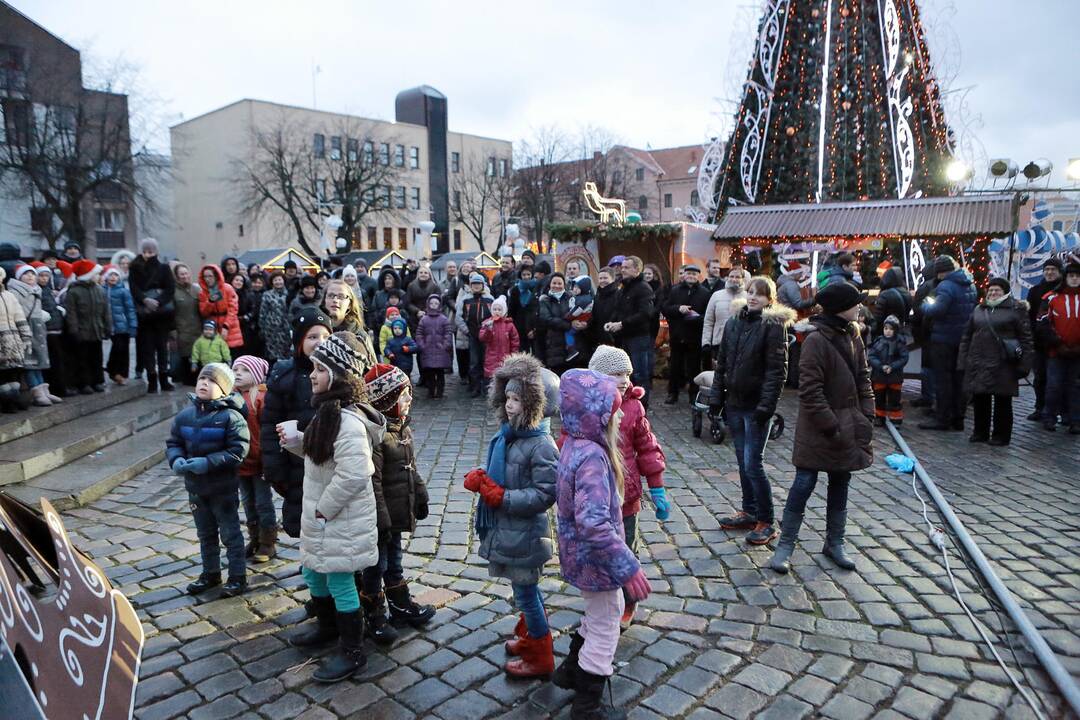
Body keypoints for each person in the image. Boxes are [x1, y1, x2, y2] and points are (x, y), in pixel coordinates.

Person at [279, 332, 383, 683]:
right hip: (322, 517)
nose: (312, 374)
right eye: (313, 367)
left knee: (339, 579)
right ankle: (327, 627)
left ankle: (353, 651)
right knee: (314, 571)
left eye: (320, 369)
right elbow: (324, 458)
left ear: (340, 376)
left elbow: (355, 472)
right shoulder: (327, 413)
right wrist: (297, 444)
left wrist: (324, 508)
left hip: (338, 518)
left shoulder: (347, 421)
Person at [554, 368, 651, 719]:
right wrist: (628, 566)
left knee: (596, 614)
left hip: (578, 554)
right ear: (595, 416)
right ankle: (587, 705)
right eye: (614, 410)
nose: (621, 413)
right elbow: (593, 522)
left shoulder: (573, 444)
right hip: (597, 560)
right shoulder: (594, 458)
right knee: (607, 623)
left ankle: (569, 670)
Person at [463, 353, 559, 679]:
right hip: (510, 530)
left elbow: (545, 493)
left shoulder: (541, 444)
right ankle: (531, 637)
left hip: (526, 534)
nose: (509, 405)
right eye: (507, 397)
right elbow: (504, 474)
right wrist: (485, 480)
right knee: (524, 592)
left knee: (527, 594)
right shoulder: (509, 436)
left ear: (535, 404)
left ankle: (541, 655)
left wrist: (501, 496)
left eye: (517, 399)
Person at [770, 281, 874, 574]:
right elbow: (810, 391)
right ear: (841, 307)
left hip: (850, 422)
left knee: (841, 482)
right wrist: (832, 426)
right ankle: (785, 545)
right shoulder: (816, 341)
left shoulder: (854, 334)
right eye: (855, 303)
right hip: (820, 427)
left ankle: (834, 543)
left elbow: (863, 378)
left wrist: (866, 414)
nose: (859, 307)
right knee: (804, 483)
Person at [586, 346, 668, 630]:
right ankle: (603, 598)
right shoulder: (587, 407)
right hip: (596, 495)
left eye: (627, 373)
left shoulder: (633, 407)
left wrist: (656, 487)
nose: (623, 379)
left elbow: (648, 449)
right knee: (599, 549)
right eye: (616, 374)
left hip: (627, 497)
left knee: (625, 549)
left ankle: (628, 599)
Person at [708, 277, 795, 545]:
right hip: (734, 403)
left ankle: (767, 520)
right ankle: (750, 511)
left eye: (760, 294)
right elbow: (722, 363)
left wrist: (766, 407)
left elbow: (776, 371)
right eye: (750, 292)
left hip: (756, 406)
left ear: (770, 298)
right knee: (742, 463)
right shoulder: (734, 323)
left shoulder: (773, 326)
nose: (754, 297)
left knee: (753, 464)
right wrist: (716, 397)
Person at [360, 363, 435, 644]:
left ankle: (400, 605)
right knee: (375, 566)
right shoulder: (377, 438)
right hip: (382, 519)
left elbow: (411, 468)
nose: (410, 400)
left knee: (395, 562)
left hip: (397, 513)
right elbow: (373, 483)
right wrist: (381, 519)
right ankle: (374, 614)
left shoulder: (402, 429)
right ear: (387, 400)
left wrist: (421, 494)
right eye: (404, 395)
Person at [166, 362, 250, 597]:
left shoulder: (231, 417)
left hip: (222, 489)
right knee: (205, 534)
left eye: (212, 381)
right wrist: (176, 460)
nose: (204, 383)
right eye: (202, 378)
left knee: (230, 534)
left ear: (224, 389)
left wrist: (207, 462)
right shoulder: (185, 416)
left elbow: (238, 451)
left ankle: (237, 576)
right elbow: (174, 443)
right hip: (195, 487)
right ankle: (211, 573)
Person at [261, 308, 333, 538]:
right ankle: (311, 567)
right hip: (297, 471)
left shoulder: (340, 374)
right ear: (299, 341)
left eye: (325, 336)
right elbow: (270, 426)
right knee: (307, 527)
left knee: (337, 526)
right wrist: (275, 470)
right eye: (312, 337)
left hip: (334, 467)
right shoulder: (284, 377)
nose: (319, 342)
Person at [957, 278, 1033, 445]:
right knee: (980, 399)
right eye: (990, 290)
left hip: (1003, 363)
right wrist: (963, 360)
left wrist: (1024, 364)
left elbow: (1026, 339)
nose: (993, 293)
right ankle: (980, 432)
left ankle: (1001, 435)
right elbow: (967, 336)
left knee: (1002, 401)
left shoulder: (1016, 309)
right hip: (979, 361)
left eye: (997, 290)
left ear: (1004, 292)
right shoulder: (979, 309)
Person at [918, 256, 977, 431]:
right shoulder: (970, 283)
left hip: (944, 339)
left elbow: (937, 310)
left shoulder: (946, 286)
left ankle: (942, 418)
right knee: (959, 380)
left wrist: (925, 305)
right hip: (962, 339)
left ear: (941, 271)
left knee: (943, 381)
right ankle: (958, 418)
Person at [232, 355, 276, 562]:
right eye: (236, 369)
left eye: (245, 370)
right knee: (248, 502)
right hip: (239, 462)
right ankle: (255, 538)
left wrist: (268, 457)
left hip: (259, 462)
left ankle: (268, 542)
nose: (238, 373)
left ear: (257, 375)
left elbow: (267, 431)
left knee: (263, 503)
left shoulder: (260, 398)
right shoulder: (230, 396)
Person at [1038, 262, 1080, 434]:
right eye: (1071, 276)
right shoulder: (1051, 297)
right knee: (1053, 386)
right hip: (1056, 351)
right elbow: (1042, 323)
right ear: (1066, 277)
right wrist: (1057, 343)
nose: (1075, 279)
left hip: (1078, 353)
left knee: (1075, 387)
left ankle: (1074, 420)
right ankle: (1049, 417)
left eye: (1078, 276)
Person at [129, 238, 175, 393]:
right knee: (147, 348)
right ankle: (152, 379)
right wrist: (144, 299)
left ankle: (163, 378)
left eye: (151, 251)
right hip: (145, 315)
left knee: (162, 348)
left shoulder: (164, 268)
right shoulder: (135, 268)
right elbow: (133, 288)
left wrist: (158, 301)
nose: (148, 254)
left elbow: (170, 289)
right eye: (145, 251)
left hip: (162, 315)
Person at [662, 264, 711, 404]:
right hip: (677, 334)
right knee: (675, 366)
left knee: (694, 367)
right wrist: (678, 308)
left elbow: (708, 315)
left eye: (694, 274)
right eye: (689, 273)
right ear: (684, 275)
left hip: (694, 336)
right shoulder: (675, 290)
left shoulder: (705, 293)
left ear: (698, 276)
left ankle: (693, 394)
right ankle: (673, 393)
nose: (691, 276)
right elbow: (666, 308)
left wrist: (697, 317)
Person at [8, 264, 56, 406]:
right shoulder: (15, 292)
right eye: (26, 274)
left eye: (32, 274)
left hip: (38, 328)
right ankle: (36, 391)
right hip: (26, 328)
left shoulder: (36, 291)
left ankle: (43, 389)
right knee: (29, 362)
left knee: (38, 361)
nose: (30, 276)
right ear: (19, 277)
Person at [65, 260, 111, 394]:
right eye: (96, 274)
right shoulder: (74, 291)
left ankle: (97, 381)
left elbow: (105, 311)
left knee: (97, 357)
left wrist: (108, 327)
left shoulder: (99, 290)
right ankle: (84, 383)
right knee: (82, 359)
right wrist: (74, 330)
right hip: (82, 331)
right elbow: (71, 313)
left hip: (97, 329)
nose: (99, 276)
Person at [1027, 258, 1063, 421]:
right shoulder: (1035, 291)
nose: (1049, 272)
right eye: (1047, 269)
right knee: (1040, 377)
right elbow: (1029, 316)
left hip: (1059, 342)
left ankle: (1057, 410)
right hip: (1039, 342)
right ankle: (1040, 407)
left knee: (1057, 380)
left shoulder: (1063, 290)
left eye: (1053, 269)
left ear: (1059, 271)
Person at [868, 315, 910, 426]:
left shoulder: (900, 343)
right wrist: (881, 366)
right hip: (879, 376)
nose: (888, 331)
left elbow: (904, 358)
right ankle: (879, 417)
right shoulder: (878, 341)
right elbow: (871, 356)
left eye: (891, 329)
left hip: (895, 376)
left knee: (895, 399)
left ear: (895, 330)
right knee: (878, 398)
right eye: (886, 328)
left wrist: (892, 366)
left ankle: (895, 418)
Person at [0, 267, 32, 411]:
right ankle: (6, 402)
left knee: (14, 370)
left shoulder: (9, 296)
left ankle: (14, 398)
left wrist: (25, 336)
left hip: (13, 339)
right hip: (1, 339)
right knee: (2, 372)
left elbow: (19, 316)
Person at [701, 267, 749, 363]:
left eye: (737, 277)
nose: (734, 279)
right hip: (719, 342)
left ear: (742, 279)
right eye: (731, 276)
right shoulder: (716, 295)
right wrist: (706, 343)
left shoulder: (748, 297)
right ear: (727, 277)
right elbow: (709, 321)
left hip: (741, 343)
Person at [100, 265, 137, 385]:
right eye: (110, 275)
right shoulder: (102, 290)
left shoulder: (123, 291)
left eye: (116, 275)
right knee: (117, 348)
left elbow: (130, 309)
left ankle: (120, 373)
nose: (113, 277)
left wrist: (132, 325)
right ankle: (113, 370)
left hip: (122, 325)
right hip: (109, 325)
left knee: (122, 349)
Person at [35, 264, 67, 398]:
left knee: (58, 360)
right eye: (41, 276)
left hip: (56, 329)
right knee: (52, 360)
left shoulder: (48, 290)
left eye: (46, 276)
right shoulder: (38, 290)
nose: (44, 278)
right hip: (47, 330)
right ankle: (54, 388)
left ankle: (59, 387)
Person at [910, 264, 939, 409]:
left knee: (927, 366)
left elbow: (918, 310)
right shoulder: (942, 286)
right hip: (937, 333)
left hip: (927, 332)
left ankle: (928, 397)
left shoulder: (926, 287)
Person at [198, 264, 243, 352]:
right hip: (213, 326)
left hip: (230, 325)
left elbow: (233, 309)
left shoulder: (227, 288)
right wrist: (210, 302)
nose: (207, 279)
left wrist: (226, 326)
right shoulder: (203, 293)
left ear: (216, 276)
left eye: (210, 276)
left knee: (232, 354)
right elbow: (203, 312)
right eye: (205, 276)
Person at [462, 273, 494, 397]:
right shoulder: (467, 301)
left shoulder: (489, 300)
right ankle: (475, 387)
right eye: (474, 284)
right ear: (471, 286)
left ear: (483, 285)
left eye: (478, 284)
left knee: (486, 361)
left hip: (486, 336)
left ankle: (487, 387)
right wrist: (467, 330)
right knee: (474, 361)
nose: (476, 286)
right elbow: (463, 317)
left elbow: (493, 316)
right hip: (473, 335)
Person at [415, 294, 452, 398]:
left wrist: (445, 345)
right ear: (428, 304)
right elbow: (419, 334)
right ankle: (431, 392)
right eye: (431, 303)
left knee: (440, 374)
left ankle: (440, 392)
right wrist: (422, 345)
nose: (434, 305)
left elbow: (448, 333)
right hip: (428, 350)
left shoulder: (444, 319)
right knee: (430, 374)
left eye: (436, 303)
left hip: (440, 351)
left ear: (440, 305)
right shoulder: (424, 319)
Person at [480, 296, 521, 387]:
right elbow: (482, 338)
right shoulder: (487, 323)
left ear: (504, 311)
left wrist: (514, 355)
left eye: (499, 309)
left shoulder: (509, 325)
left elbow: (515, 341)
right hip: (491, 357)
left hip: (505, 357)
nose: (497, 312)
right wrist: (488, 330)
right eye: (494, 309)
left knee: (504, 378)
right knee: (491, 378)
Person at [537, 272, 573, 374]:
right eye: (554, 283)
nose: (556, 286)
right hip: (553, 344)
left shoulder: (570, 298)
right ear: (550, 284)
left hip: (569, 344)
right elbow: (546, 319)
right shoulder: (545, 300)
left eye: (559, 283)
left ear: (564, 285)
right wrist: (568, 325)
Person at [172, 264, 202, 385]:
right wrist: (172, 333)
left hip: (198, 329)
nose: (185, 276)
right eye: (181, 274)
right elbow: (171, 314)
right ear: (177, 277)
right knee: (186, 358)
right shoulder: (173, 292)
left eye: (186, 273)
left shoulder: (197, 289)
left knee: (199, 356)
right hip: (182, 331)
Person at [259, 271, 292, 363]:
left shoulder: (289, 294)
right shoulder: (267, 294)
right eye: (275, 280)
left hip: (286, 327)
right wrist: (262, 327)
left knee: (287, 353)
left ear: (283, 280)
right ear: (272, 282)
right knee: (272, 355)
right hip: (271, 329)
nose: (278, 282)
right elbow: (263, 312)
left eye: (280, 279)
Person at [508, 267, 540, 356]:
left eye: (528, 274)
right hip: (519, 326)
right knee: (522, 353)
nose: (526, 277)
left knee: (536, 354)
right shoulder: (515, 290)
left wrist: (534, 328)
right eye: (524, 275)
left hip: (533, 326)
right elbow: (511, 309)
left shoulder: (536, 288)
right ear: (520, 276)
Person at [873, 266, 912, 337]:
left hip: (886, 332)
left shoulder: (884, 295)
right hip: (900, 331)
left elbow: (878, 318)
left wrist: (874, 332)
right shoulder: (906, 293)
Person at [565, 276, 594, 364]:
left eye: (577, 287)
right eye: (574, 287)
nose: (575, 289)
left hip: (581, 319)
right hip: (583, 320)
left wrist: (567, 317)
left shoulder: (583, 299)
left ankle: (571, 348)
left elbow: (576, 311)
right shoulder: (586, 297)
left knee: (568, 333)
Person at [371, 267, 403, 331]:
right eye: (385, 279)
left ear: (394, 280)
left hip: (399, 328)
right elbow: (374, 311)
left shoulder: (401, 293)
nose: (387, 281)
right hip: (381, 328)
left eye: (390, 278)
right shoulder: (378, 294)